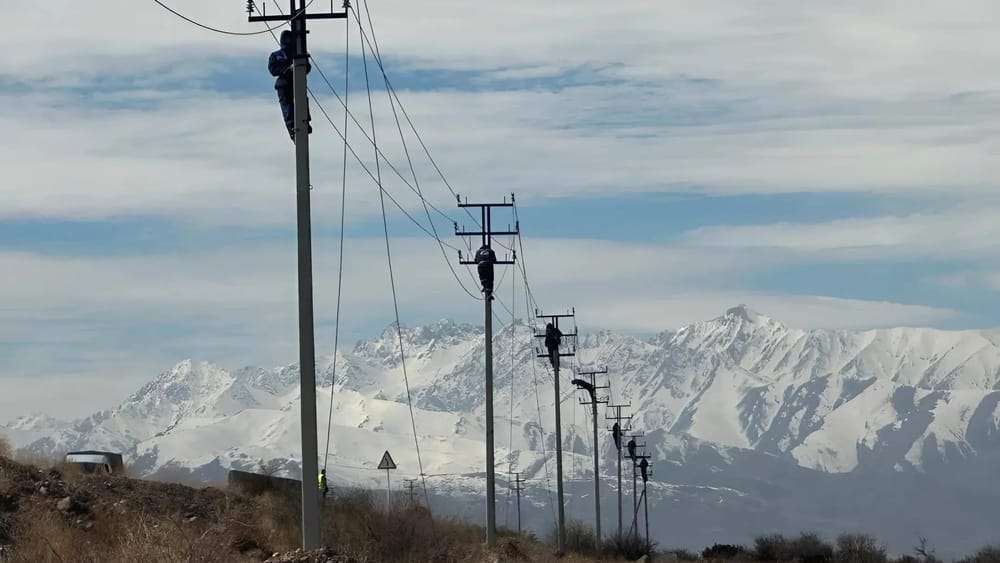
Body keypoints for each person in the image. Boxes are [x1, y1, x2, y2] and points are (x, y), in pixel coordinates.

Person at [268, 30, 312, 141]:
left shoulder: (297, 53)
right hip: (286, 83)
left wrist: (300, 64)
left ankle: (302, 122)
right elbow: (273, 69)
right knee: (289, 104)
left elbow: (307, 67)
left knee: (300, 101)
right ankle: (293, 124)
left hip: (295, 82)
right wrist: (286, 70)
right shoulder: (278, 55)